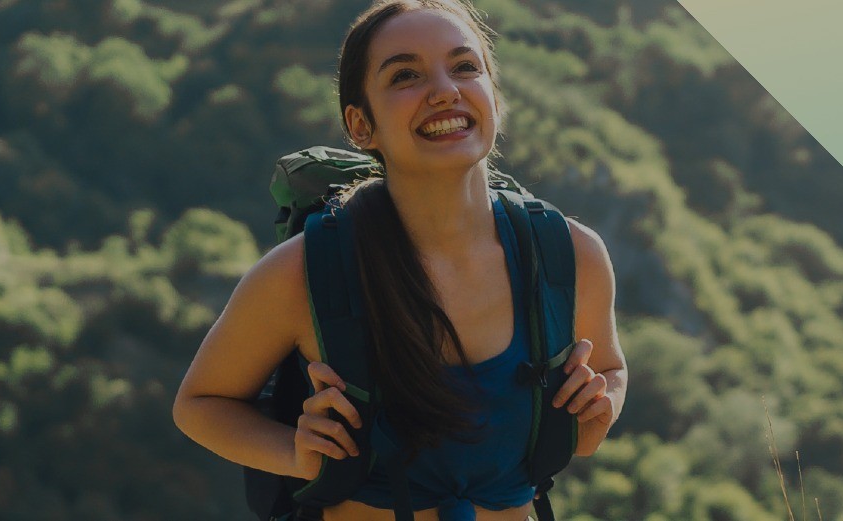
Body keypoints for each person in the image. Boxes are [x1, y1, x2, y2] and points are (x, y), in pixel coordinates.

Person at [171, 1, 628, 520]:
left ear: (494, 98)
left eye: (465, 67)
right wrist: (296, 454)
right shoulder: (306, 271)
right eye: (405, 75)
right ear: (360, 125)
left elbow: (609, 370)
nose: (444, 91)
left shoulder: (569, 255)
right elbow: (200, 404)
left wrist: (600, 405)